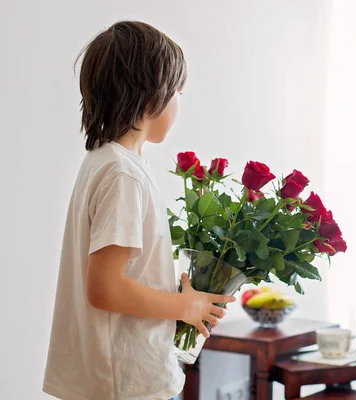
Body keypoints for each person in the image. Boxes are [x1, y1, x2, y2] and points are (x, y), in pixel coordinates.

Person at [43, 21, 236, 400]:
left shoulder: (105, 162)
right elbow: (106, 288)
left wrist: (175, 293)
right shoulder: (122, 174)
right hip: (124, 381)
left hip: (109, 375)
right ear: (153, 97)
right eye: (179, 91)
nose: (179, 102)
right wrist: (185, 305)